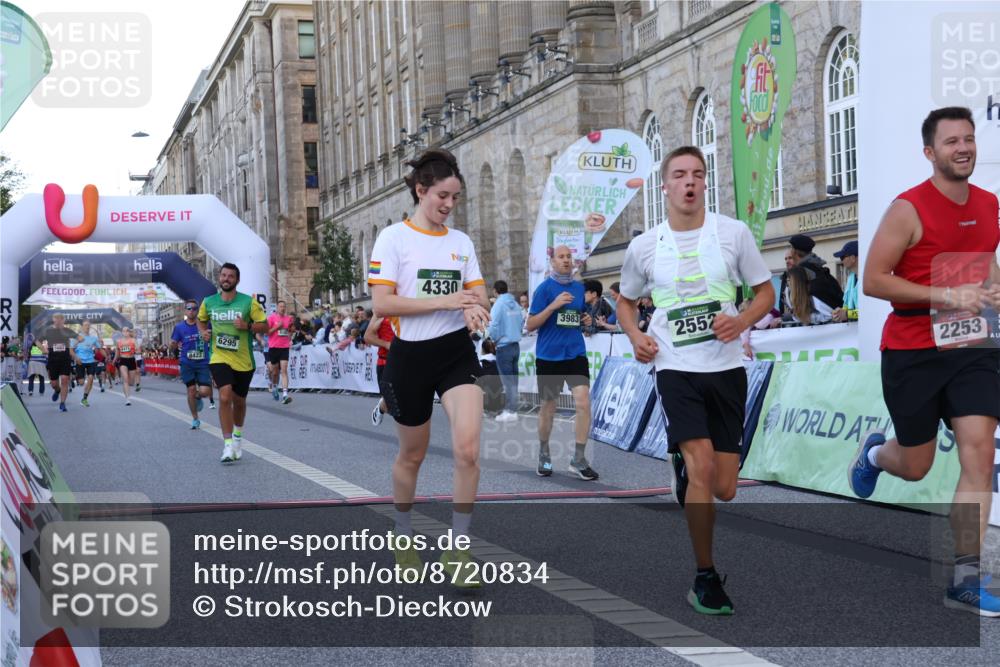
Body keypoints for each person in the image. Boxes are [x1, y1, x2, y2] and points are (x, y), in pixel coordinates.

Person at [850, 106, 1000, 617]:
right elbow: (873, 280)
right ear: (930, 153)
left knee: (979, 453)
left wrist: (990, 292)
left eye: (969, 139)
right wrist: (946, 295)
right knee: (916, 466)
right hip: (913, 350)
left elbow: (985, 266)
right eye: (952, 141)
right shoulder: (907, 209)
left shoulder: (989, 204)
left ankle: (965, 576)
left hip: (971, 348)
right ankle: (873, 454)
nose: (964, 148)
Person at [617, 145, 774, 616]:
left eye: (698, 175)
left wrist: (741, 320)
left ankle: (686, 473)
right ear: (664, 186)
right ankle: (705, 576)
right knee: (703, 467)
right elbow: (625, 302)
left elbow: (766, 293)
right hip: (674, 366)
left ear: (706, 183)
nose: (689, 182)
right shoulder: (645, 246)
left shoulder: (733, 234)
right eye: (680, 175)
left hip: (725, 368)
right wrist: (633, 335)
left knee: (725, 486)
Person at [368, 149, 490, 588]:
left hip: (456, 354)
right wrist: (447, 301)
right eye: (442, 196)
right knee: (412, 454)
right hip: (409, 357)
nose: (449, 205)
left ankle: (458, 551)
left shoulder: (461, 244)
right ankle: (403, 537)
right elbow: (382, 304)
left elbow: (478, 294)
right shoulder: (393, 239)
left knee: (468, 450)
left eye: (455, 198)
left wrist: (478, 311)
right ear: (421, 191)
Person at [527, 245, 600, 481]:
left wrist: (584, 318)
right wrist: (552, 305)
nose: (566, 260)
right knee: (548, 407)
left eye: (569, 257)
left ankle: (578, 459)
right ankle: (544, 454)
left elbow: (576, 317)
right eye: (561, 257)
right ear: (553, 262)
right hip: (549, 357)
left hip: (575, 354)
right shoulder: (544, 290)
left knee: (583, 402)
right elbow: (530, 325)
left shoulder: (580, 289)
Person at [197, 263, 267, 463]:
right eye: (224, 275)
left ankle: (237, 437)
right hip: (219, 356)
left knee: (240, 402)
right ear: (219, 278)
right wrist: (203, 332)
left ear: (237, 280)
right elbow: (201, 320)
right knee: (225, 396)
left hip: (243, 360)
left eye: (231, 276)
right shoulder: (209, 302)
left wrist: (247, 325)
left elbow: (266, 326)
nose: (226, 279)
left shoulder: (248, 303)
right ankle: (227, 445)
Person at [170, 299, 214, 429]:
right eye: (189, 308)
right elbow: (172, 344)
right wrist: (172, 346)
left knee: (205, 391)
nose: (191, 310)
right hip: (187, 363)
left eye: (194, 308)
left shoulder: (206, 324)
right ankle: (195, 418)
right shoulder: (179, 327)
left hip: (203, 362)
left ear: (198, 310)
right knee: (190, 389)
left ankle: (198, 396)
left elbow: (212, 337)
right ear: (185, 310)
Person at [487, 279, 524, 422]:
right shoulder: (515, 304)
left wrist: (493, 339)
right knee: (514, 380)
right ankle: (513, 409)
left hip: (503, 346)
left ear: (495, 291)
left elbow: (494, 325)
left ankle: (510, 411)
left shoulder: (498, 304)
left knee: (508, 381)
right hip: (515, 345)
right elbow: (521, 321)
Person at [363, 312, 396, 426]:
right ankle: (382, 406)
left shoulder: (409, 308)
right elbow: (367, 337)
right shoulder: (381, 311)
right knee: (392, 407)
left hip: (406, 361)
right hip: (385, 362)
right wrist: (387, 344)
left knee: (406, 407)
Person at [41, 314, 76, 412]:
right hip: (53, 360)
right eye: (57, 319)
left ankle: (62, 403)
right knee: (53, 383)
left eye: (61, 319)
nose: (59, 321)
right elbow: (37, 340)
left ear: (63, 320)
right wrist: (43, 348)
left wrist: (74, 350)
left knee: (65, 379)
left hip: (65, 359)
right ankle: (57, 390)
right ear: (53, 320)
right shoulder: (48, 331)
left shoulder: (67, 331)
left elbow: (77, 339)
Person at [267, 300, 295, 404]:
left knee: (284, 370)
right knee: (275, 373)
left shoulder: (288, 319)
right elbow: (267, 332)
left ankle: (285, 394)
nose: (282, 308)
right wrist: (276, 327)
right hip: (274, 347)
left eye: (284, 306)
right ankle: (274, 387)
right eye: (281, 306)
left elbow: (290, 331)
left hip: (284, 347)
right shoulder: (271, 318)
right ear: (277, 308)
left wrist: (290, 337)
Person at [71, 320, 101, 407]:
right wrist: (76, 357)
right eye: (85, 325)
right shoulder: (76, 338)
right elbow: (71, 350)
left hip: (90, 361)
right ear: (82, 327)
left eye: (88, 325)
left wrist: (100, 349)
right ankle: (76, 378)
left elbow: (99, 348)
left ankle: (84, 398)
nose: (87, 327)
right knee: (81, 382)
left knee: (91, 378)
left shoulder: (93, 338)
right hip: (80, 361)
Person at [831, 240, 859, 322]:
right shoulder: (851, 278)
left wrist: (847, 314)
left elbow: (869, 312)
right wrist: (840, 312)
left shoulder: (868, 278)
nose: (841, 261)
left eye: (842, 257)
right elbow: (846, 304)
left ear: (853, 258)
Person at [114, 328, 140, 405]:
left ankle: (129, 389)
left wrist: (136, 350)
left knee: (131, 382)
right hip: (123, 360)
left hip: (131, 360)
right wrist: (114, 360)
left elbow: (138, 350)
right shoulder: (119, 341)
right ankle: (127, 399)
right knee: (125, 379)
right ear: (122, 332)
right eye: (124, 331)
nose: (125, 332)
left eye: (127, 331)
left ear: (129, 332)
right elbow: (117, 352)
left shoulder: (133, 340)